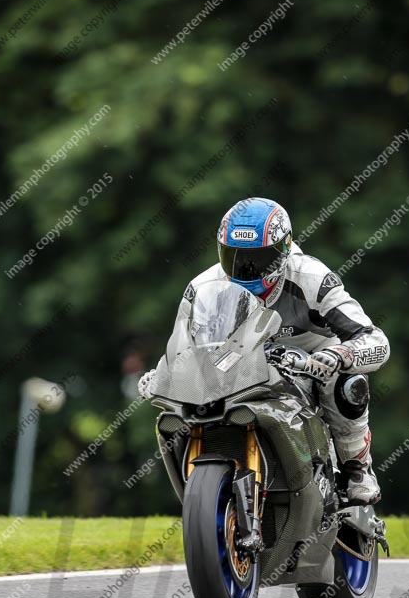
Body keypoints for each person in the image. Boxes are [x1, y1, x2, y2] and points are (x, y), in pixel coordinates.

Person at [139, 197, 390, 504]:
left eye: (258, 258)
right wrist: (165, 374)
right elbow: (188, 348)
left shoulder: (313, 279)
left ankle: (356, 468)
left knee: (347, 385)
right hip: (240, 363)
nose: (245, 268)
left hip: (310, 363)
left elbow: (374, 339)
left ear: (284, 249)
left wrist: (340, 356)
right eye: (234, 257)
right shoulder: (202, 287)